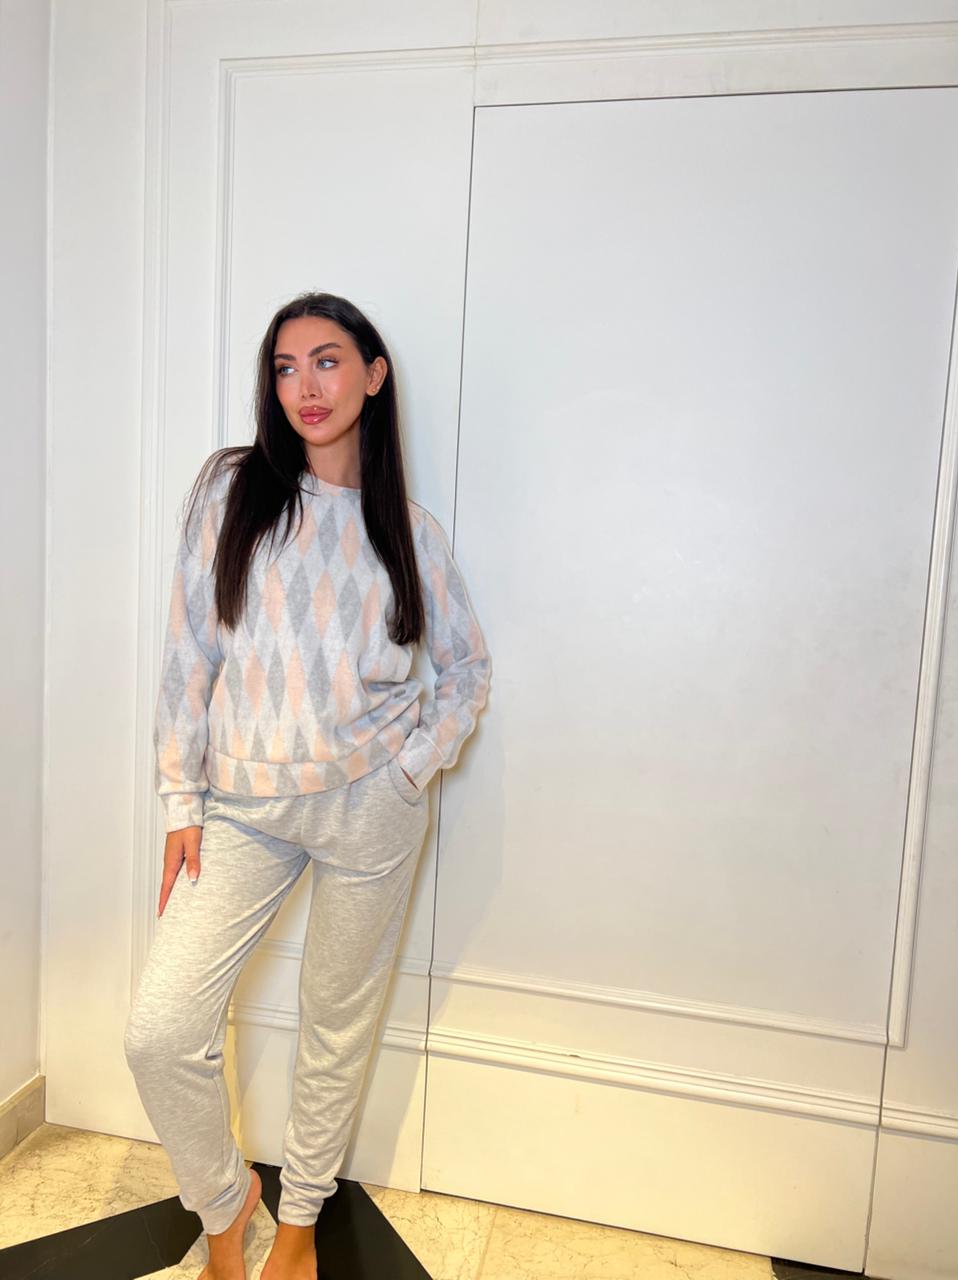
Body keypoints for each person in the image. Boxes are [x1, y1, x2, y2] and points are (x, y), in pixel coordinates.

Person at [123, 290, 492, 1280]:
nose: (305, 387)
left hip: (373, 804)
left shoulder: (408, 529)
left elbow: (465, 670)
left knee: (337, 1020)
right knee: (162, 1029)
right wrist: (179, 800)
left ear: (373, 373)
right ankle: (226, 1206)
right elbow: (188, 654)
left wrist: (415, 766)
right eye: (285, 367)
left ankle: (297, 1228)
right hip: (242, 806)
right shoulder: (232, 490)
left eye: (327, 361)